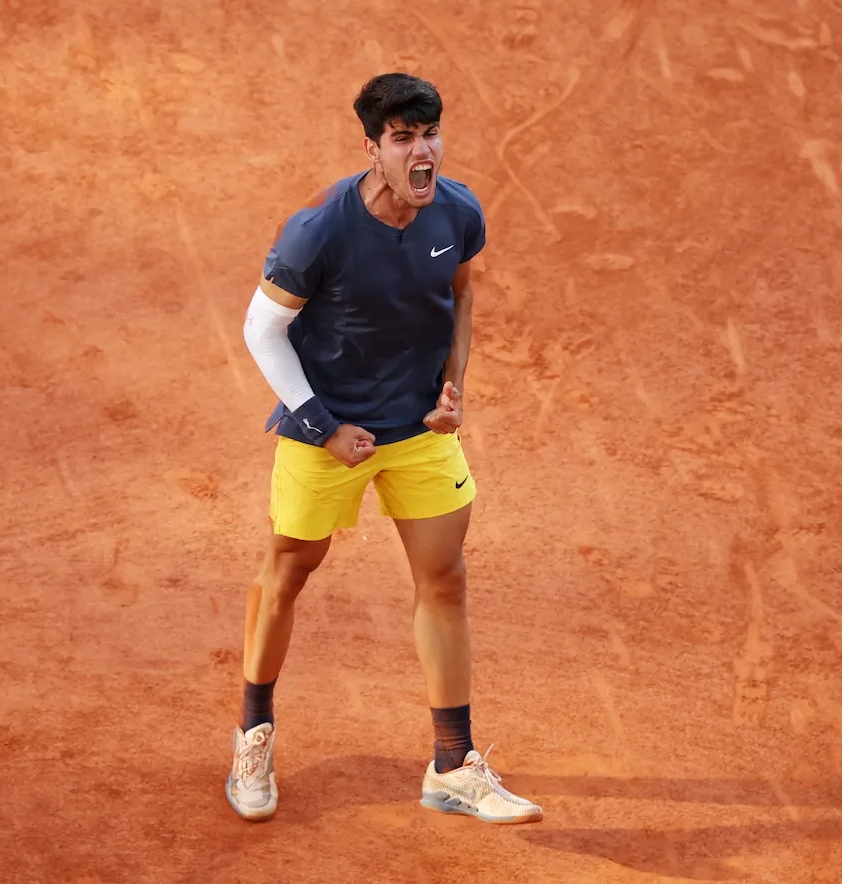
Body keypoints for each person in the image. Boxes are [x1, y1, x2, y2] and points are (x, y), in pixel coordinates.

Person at [227, 72, 542, 825]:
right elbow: (261, 330)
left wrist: (452, 388)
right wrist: (320, 425)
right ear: (373, 150)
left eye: (428, 134)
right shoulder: (319, 232)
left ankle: (451, 766)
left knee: (446, 580)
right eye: (402, 138)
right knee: (288, 574)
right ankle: (252, 734)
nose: (421, 150)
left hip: (416, 434)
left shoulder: (457, 213)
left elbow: (460, 292)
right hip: (325, 431)